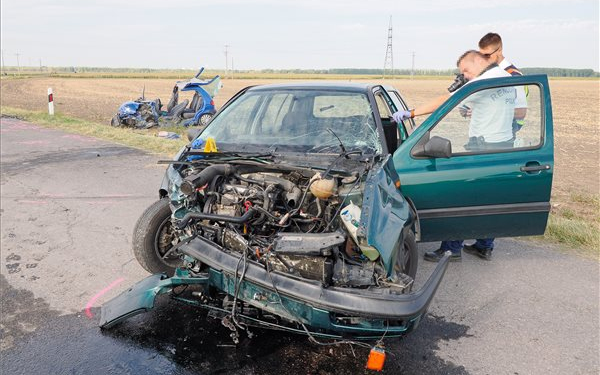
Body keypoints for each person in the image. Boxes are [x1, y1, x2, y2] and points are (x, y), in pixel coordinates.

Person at [392, 50, 516, 261]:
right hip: (503, 145)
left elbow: (445, 101)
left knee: (461, 195)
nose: (465, 76)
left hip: (482, 148)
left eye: (466, 70)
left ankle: (451, 249)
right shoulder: (507, 78)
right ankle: (484, 245)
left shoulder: (482, 81)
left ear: (478, 61)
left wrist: (411, 113)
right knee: (490, 197)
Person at [479, 32, 528, 136]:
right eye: (481, 56)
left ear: (499, 50)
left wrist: (486, 111)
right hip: (493, 129)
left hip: (507, 131)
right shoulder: (491, 72)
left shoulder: (513, 75)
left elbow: (520, 112)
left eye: (487, 55)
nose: (484, 59)